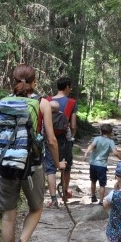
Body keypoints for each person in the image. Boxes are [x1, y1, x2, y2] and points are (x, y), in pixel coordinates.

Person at [0, 64, 64, 242]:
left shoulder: (2, 103)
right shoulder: (41, 103)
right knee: (36, 208)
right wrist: (58, 163)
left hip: (4, 165)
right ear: (34, 82)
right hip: (31, 166)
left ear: (13, 82)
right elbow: (51, 140)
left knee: (8, 216)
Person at [45, 77, 78, 207]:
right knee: (66, 166)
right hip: (64, 139)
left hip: (48, 137)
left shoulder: (47, 101)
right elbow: (73, 125)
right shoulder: (71, 102)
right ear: (67, 87)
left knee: (50, 168)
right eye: (70, 87)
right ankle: (64, 194)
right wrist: (72, 137)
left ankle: (53, 199)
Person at [83, 123, 121, 204]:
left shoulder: (97, 138)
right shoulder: (110, 141)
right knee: (102, 184)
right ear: (110, 133)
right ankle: (101, 201)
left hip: (93, 164)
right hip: (101, 166)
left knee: (93, 181)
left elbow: (91, 146)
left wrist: (86, 153)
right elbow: (115, 152)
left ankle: (93, 196)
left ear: (101, 131)